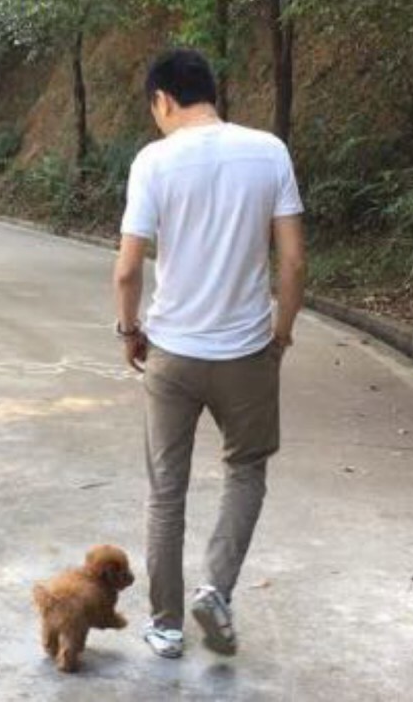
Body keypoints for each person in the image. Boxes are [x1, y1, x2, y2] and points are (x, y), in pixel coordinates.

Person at [113, 48, 306, 659]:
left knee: (166, 490)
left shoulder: (153, 161)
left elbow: (127, 270)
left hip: (172, 353)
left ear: (163, 99)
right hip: (247, 351)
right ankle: (216, 591)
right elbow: (293, 262)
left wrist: (129, 332)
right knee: (245, 473)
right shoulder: (269, 152)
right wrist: (280, 335)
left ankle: (166, 626)